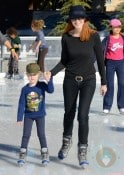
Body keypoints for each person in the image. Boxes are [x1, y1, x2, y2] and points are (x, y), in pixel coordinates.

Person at [44, 5, 107, 167]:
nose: (77, 21)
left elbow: (101, 61)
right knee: (69, 112)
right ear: (70, 20)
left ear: (84, 19)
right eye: (74, 18)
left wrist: (104, 82)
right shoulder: (66, 37)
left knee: (83, 115)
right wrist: (52, 72)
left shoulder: (93, 36)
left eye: (79, 18)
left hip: (89, 80)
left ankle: (82, 149)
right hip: (70, 79)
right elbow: (64, 61)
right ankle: (66, 142)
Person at [17, 63, 54, 166]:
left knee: (41, 134)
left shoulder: (41, 85)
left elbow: (51, 90)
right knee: (26, 135)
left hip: (40, 115)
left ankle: (45, 153)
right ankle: (22, 153)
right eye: (30, 75)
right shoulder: (25, 89)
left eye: (34, 75)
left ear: (39, 75)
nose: (32, 77)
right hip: (28, 116)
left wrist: (49, 80)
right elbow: (21, 104)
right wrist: (19, 117)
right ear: (27, 75)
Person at [102, 19, 124, 114]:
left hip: (121, 63)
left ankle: (121, 105)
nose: (117, 29)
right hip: (110, 63)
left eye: (119, 27)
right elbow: (100, 51)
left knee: (122, 84)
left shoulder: (123, 38)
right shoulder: (107, 39)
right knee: (109, 85)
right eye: (115, 27)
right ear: (111, 28)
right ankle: (107, 106)